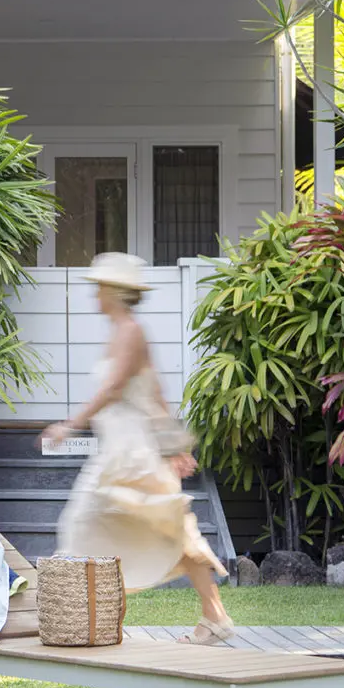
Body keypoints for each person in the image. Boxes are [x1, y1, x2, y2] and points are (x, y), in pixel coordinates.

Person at [40, 252, 234, 646]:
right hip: (120, 448)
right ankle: (109, 621)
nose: (95, 294)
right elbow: (156, 391)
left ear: (115, 291)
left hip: (132, 453)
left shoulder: (130, 331)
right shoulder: (122, 331)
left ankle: (211, 615)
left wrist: (69, 425)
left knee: (117, 526)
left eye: (100, 287)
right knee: (121, 529)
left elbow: (114, 390)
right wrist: (174, 445)